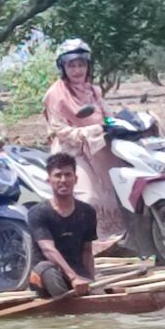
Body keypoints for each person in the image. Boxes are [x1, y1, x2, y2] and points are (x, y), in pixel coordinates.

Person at [43, 38, 126, 253]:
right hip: (70, 152)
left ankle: (122, 238)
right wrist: (87, 132)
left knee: (121, 188)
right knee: (89, 198)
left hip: (99, 146)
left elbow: (107, 116)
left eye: (81, 64)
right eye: (72, 65)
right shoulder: (55, 94)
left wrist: (118, 123)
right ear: (63, 67)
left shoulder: (94, 91)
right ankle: (84, 247)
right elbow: (60, 130)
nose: (77, 70)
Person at [28, 152, 97, 298]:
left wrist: (91, 281)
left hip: (75, 270)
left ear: (75, 179)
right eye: (58, 175)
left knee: (96, 291)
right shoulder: (38, 212)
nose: (63, 180)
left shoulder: (87, 212)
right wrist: (73, 278)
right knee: (51, 274)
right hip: (46, 271)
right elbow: (48, 250)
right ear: (49, 180)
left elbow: (87, 251)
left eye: (68, 175)